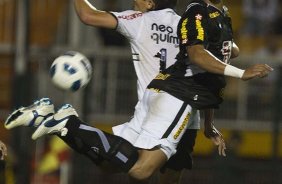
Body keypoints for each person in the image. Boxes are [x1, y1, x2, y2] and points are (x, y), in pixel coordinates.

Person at [5, 0, 272, 181]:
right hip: (179, 105)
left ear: (150, 3)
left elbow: (87, 15)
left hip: (165, 99)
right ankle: (66, 122)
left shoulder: (139, 20)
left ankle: (66, 122)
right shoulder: (188, 24)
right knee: (146, 172)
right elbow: (212, 65)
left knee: (122, 166)